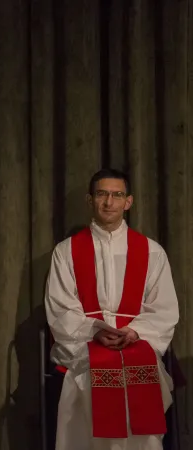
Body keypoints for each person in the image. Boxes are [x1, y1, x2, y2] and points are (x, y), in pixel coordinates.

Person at [44, 168, 179, 450]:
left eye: (117, 195)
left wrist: (133, 332)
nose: (109, 202)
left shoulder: (152, 252)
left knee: (143, 380)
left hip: (137, 342)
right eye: (102, 194)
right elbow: (61, 306)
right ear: (90, 199)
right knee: (87, 383)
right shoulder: (66, 251)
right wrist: (95, 332)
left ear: (128, 202)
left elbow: (163, 308)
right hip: (85, 342)